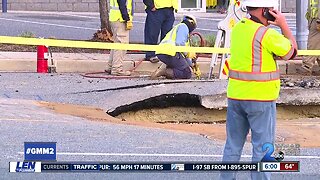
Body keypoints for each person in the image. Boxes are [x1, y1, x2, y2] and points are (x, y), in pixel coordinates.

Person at [220, 0, 297, 180]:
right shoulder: (266, 34)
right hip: (260, 99)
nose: (272, 12)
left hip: (236, 96)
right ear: (264, 10)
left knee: (232, 145)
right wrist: (283, 25)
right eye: (270, 10)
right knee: (262, 148)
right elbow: (292, 52)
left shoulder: (238, 28)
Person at [150, 15, 198, 80]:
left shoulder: (178, 28)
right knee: (186, 73)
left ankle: (166, 72)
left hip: (162, 52)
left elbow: (184, 56)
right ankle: (162, 72)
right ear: (192, 24)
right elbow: (179, 43)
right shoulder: (183, 27)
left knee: (178, 69)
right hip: (171, 52)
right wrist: (188, 53)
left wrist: (192, 66)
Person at [105, 0, 133, 76]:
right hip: (120, 19)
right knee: (122, 44)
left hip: (115, 17)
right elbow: (122, 4)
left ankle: (110, 66)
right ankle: (117, 69)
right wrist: (127, 19)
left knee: (117, 43)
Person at [297, 0, 320, 75]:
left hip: (317, 20)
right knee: (317, 44)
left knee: (312, 43)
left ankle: (307, 66)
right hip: (314, 20)